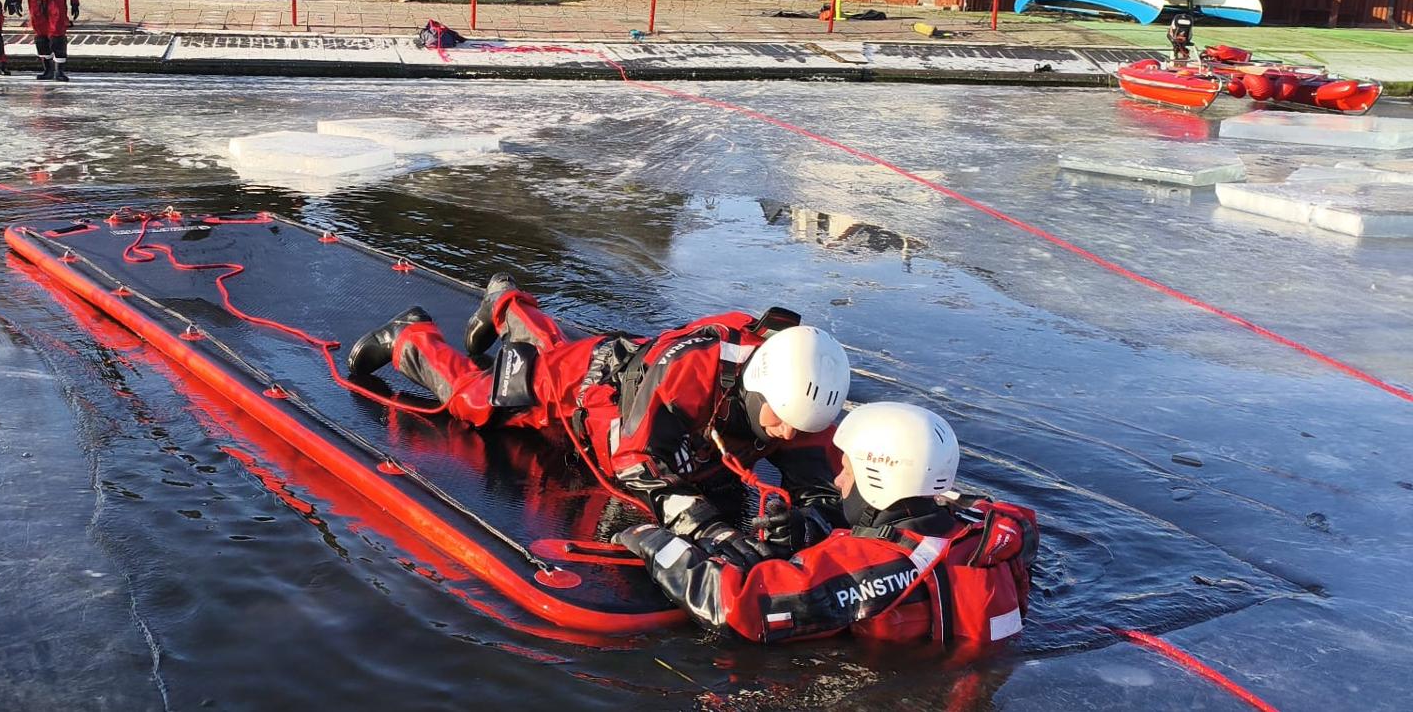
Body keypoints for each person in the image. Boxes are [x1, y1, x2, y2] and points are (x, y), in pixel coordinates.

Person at [346, 274, 852, 565]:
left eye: (799, 427)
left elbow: (822, 482)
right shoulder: (690, 371)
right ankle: (410, 337)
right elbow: (635, 461)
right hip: (591, 388)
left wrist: (806, 523)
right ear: (756, 386)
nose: (787, 434)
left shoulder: (802, 394)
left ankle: (505, 302)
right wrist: (712, 532)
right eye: (781, 421)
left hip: (627, 376)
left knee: (545, 355)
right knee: (479, 400)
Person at [617, 402, 1039, 647]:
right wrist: (810, 528)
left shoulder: (877, 565)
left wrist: (651, 540)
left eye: (848, 471)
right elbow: (1016, 519)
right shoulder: (994, 532)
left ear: (878, 480)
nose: (838, 481)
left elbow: (734, 606)